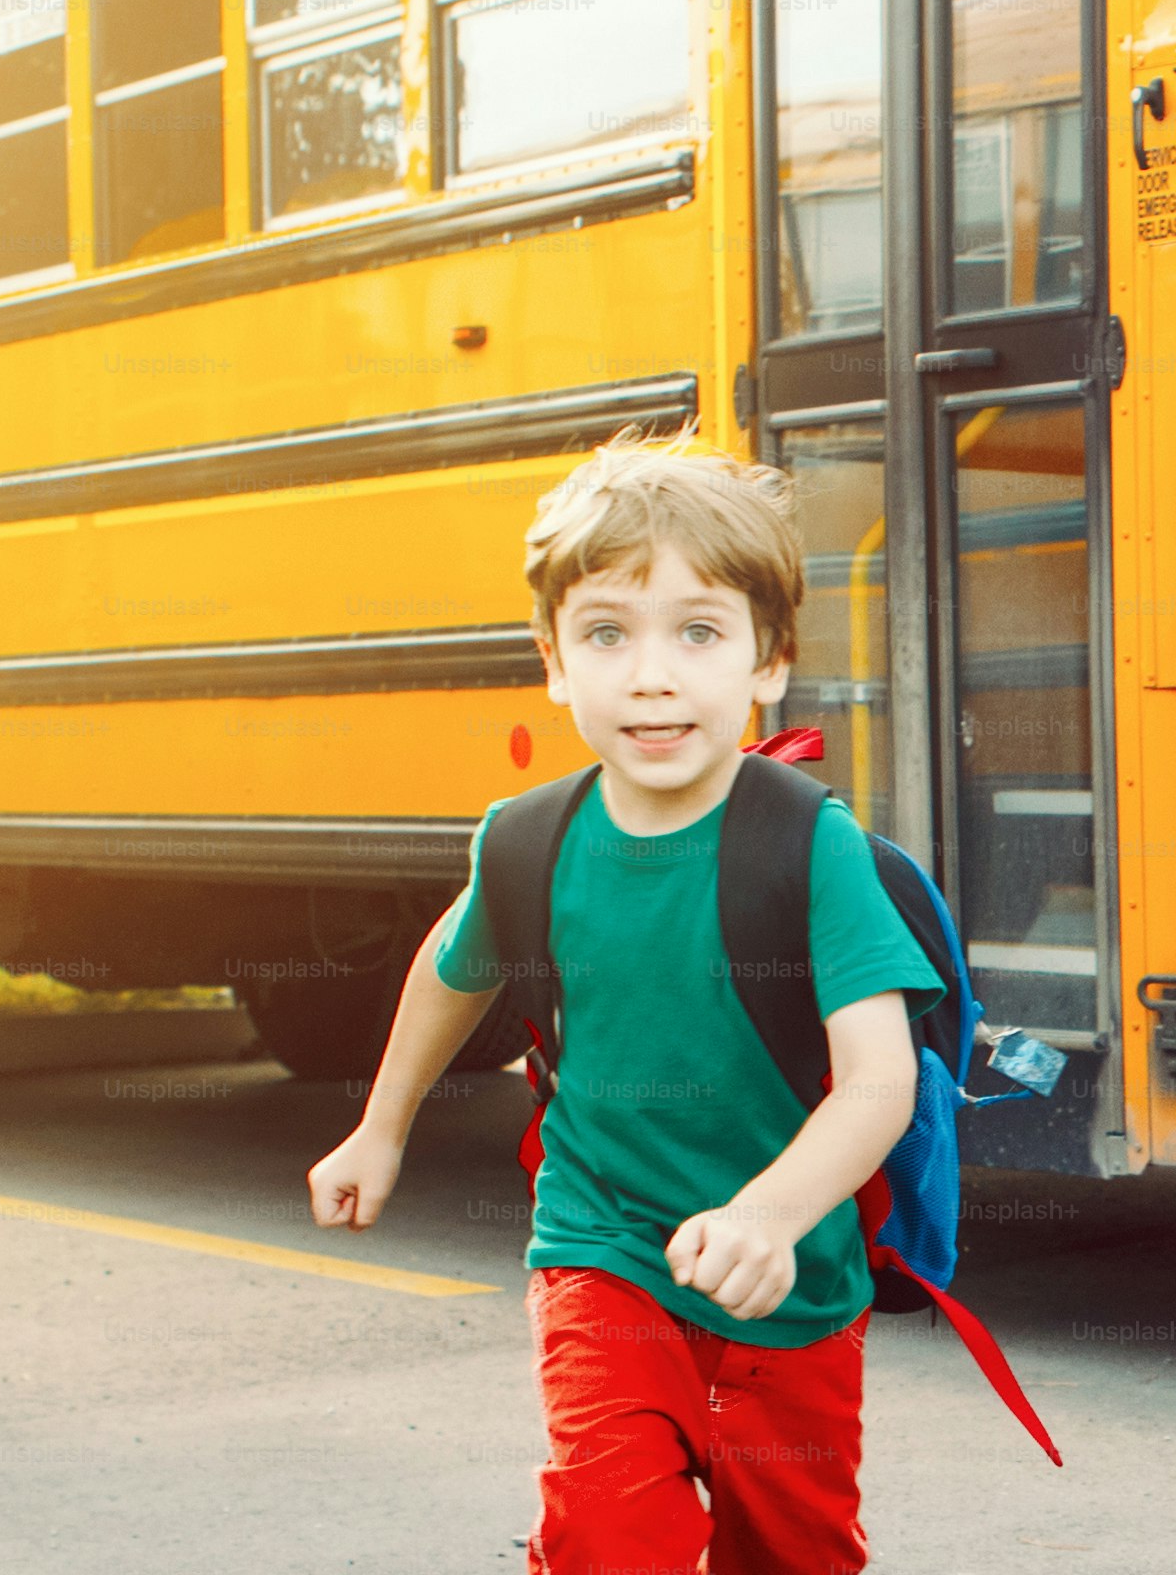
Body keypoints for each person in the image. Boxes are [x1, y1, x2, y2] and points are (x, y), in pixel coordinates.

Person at [304, 436, 942, 1575]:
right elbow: (452, 972)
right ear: (554, 662)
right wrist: (381, 1123)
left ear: (768, 663)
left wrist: (770, 1213)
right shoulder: (527, 840)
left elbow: (880, 1078)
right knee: (607, 1536)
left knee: (792, 1555)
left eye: (698, 631)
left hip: (790, 1285)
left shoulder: (808, 843)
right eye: (607, 633)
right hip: (602, 1250)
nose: (651, 674)